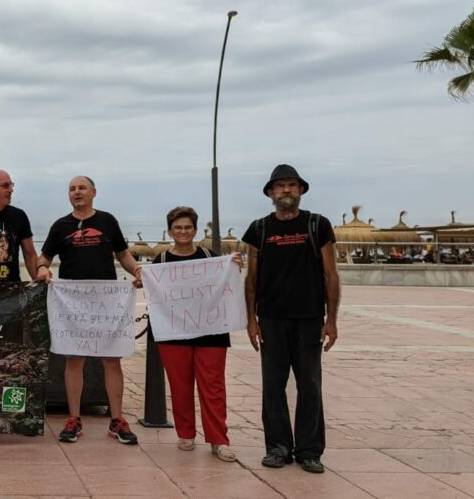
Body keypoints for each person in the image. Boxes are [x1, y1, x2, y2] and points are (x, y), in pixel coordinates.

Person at [242, 164, 339, 474]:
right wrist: (251, 320)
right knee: (273, 386)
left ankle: (309, 451)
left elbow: (330, 274)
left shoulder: (317, 225)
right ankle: (278, 447)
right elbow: (251, 278)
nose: (286, 190)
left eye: (292, 185)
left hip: (309, 317)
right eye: (280, 186)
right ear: (271, 192)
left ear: (300, 190)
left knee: (310, 385)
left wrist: (331, 319)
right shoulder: (259, 229)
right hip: (271, 319)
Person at [35, 175, 143, 445]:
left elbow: (123, 254)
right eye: (72, 189)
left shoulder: (108, 221)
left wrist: (138, 270)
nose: (77, 192)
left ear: (94, 192)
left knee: (112, 360)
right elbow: (44, 256)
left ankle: (117, 420)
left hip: (107, 301)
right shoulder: (60, 226)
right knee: (74, 361)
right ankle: (74, 418)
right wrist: (42, 268)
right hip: (71, 303)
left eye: (82, 188)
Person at [151, 206, 242, 462]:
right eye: (178, 227)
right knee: (180, 386)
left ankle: (219, 439)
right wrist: (140, 279)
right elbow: (152, 290)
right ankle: (186, 434)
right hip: (173, 333)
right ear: (170, 231)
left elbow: (227, 282)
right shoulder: (161, 261)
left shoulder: (211, 257)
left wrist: (235, 266)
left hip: (211, 333)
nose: (183, 231)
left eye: (187, 227)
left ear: (195, 230)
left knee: (213, 387)